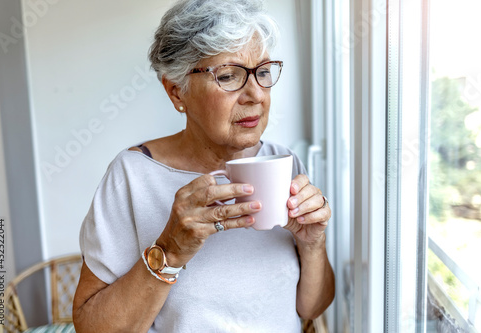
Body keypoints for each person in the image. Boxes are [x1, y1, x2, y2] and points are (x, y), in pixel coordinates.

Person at [72, 0, 335, 332]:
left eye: (264, 72)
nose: (256, 94)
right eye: (228, 76)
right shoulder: (132, 177)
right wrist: (169, 249)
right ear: (176, 92)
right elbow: (90, 326)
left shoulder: (283, 163)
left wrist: (313, 243)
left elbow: (312, 306)